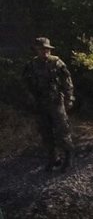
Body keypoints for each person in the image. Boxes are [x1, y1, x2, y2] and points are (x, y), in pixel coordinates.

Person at [22, 37, 74, 171]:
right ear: (36, 50)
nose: (45, 51)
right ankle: (53, 158)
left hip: (56, 102)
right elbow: (26, 83)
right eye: (41, 49)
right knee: (45, 132)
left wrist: (69, 99)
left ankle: (68, 158)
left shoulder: (57, 63)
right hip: (40, 103)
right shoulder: (31, 65)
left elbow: (67, 82)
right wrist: (30, 97)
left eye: (47, 49)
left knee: (62, 130)